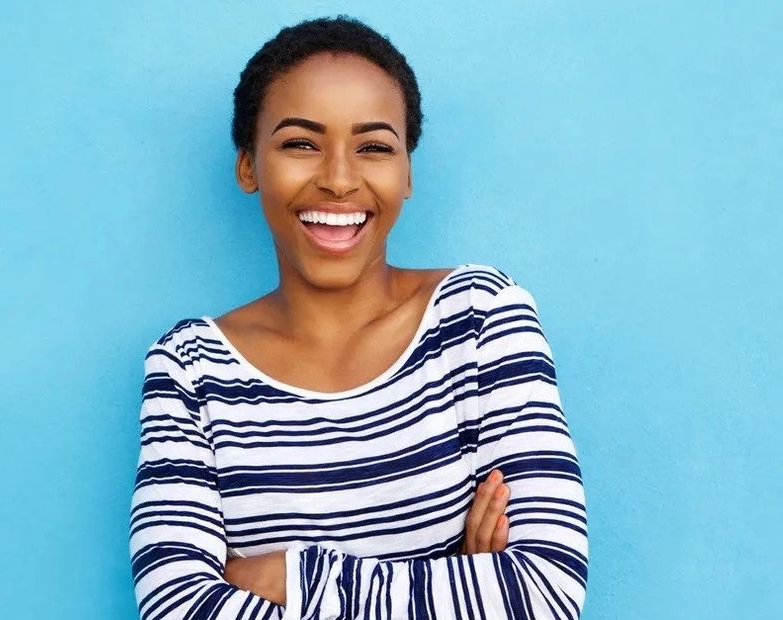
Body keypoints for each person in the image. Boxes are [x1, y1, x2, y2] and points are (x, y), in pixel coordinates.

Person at [129, 15, 587, 619]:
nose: (340, 179)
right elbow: (175, 608)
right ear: (248, 166)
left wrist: (293, 576)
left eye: (374, 147)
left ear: (406, 174)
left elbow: (545, 593)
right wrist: (454, 582)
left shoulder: (479, 320)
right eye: (300, 143)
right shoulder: (190, 368)